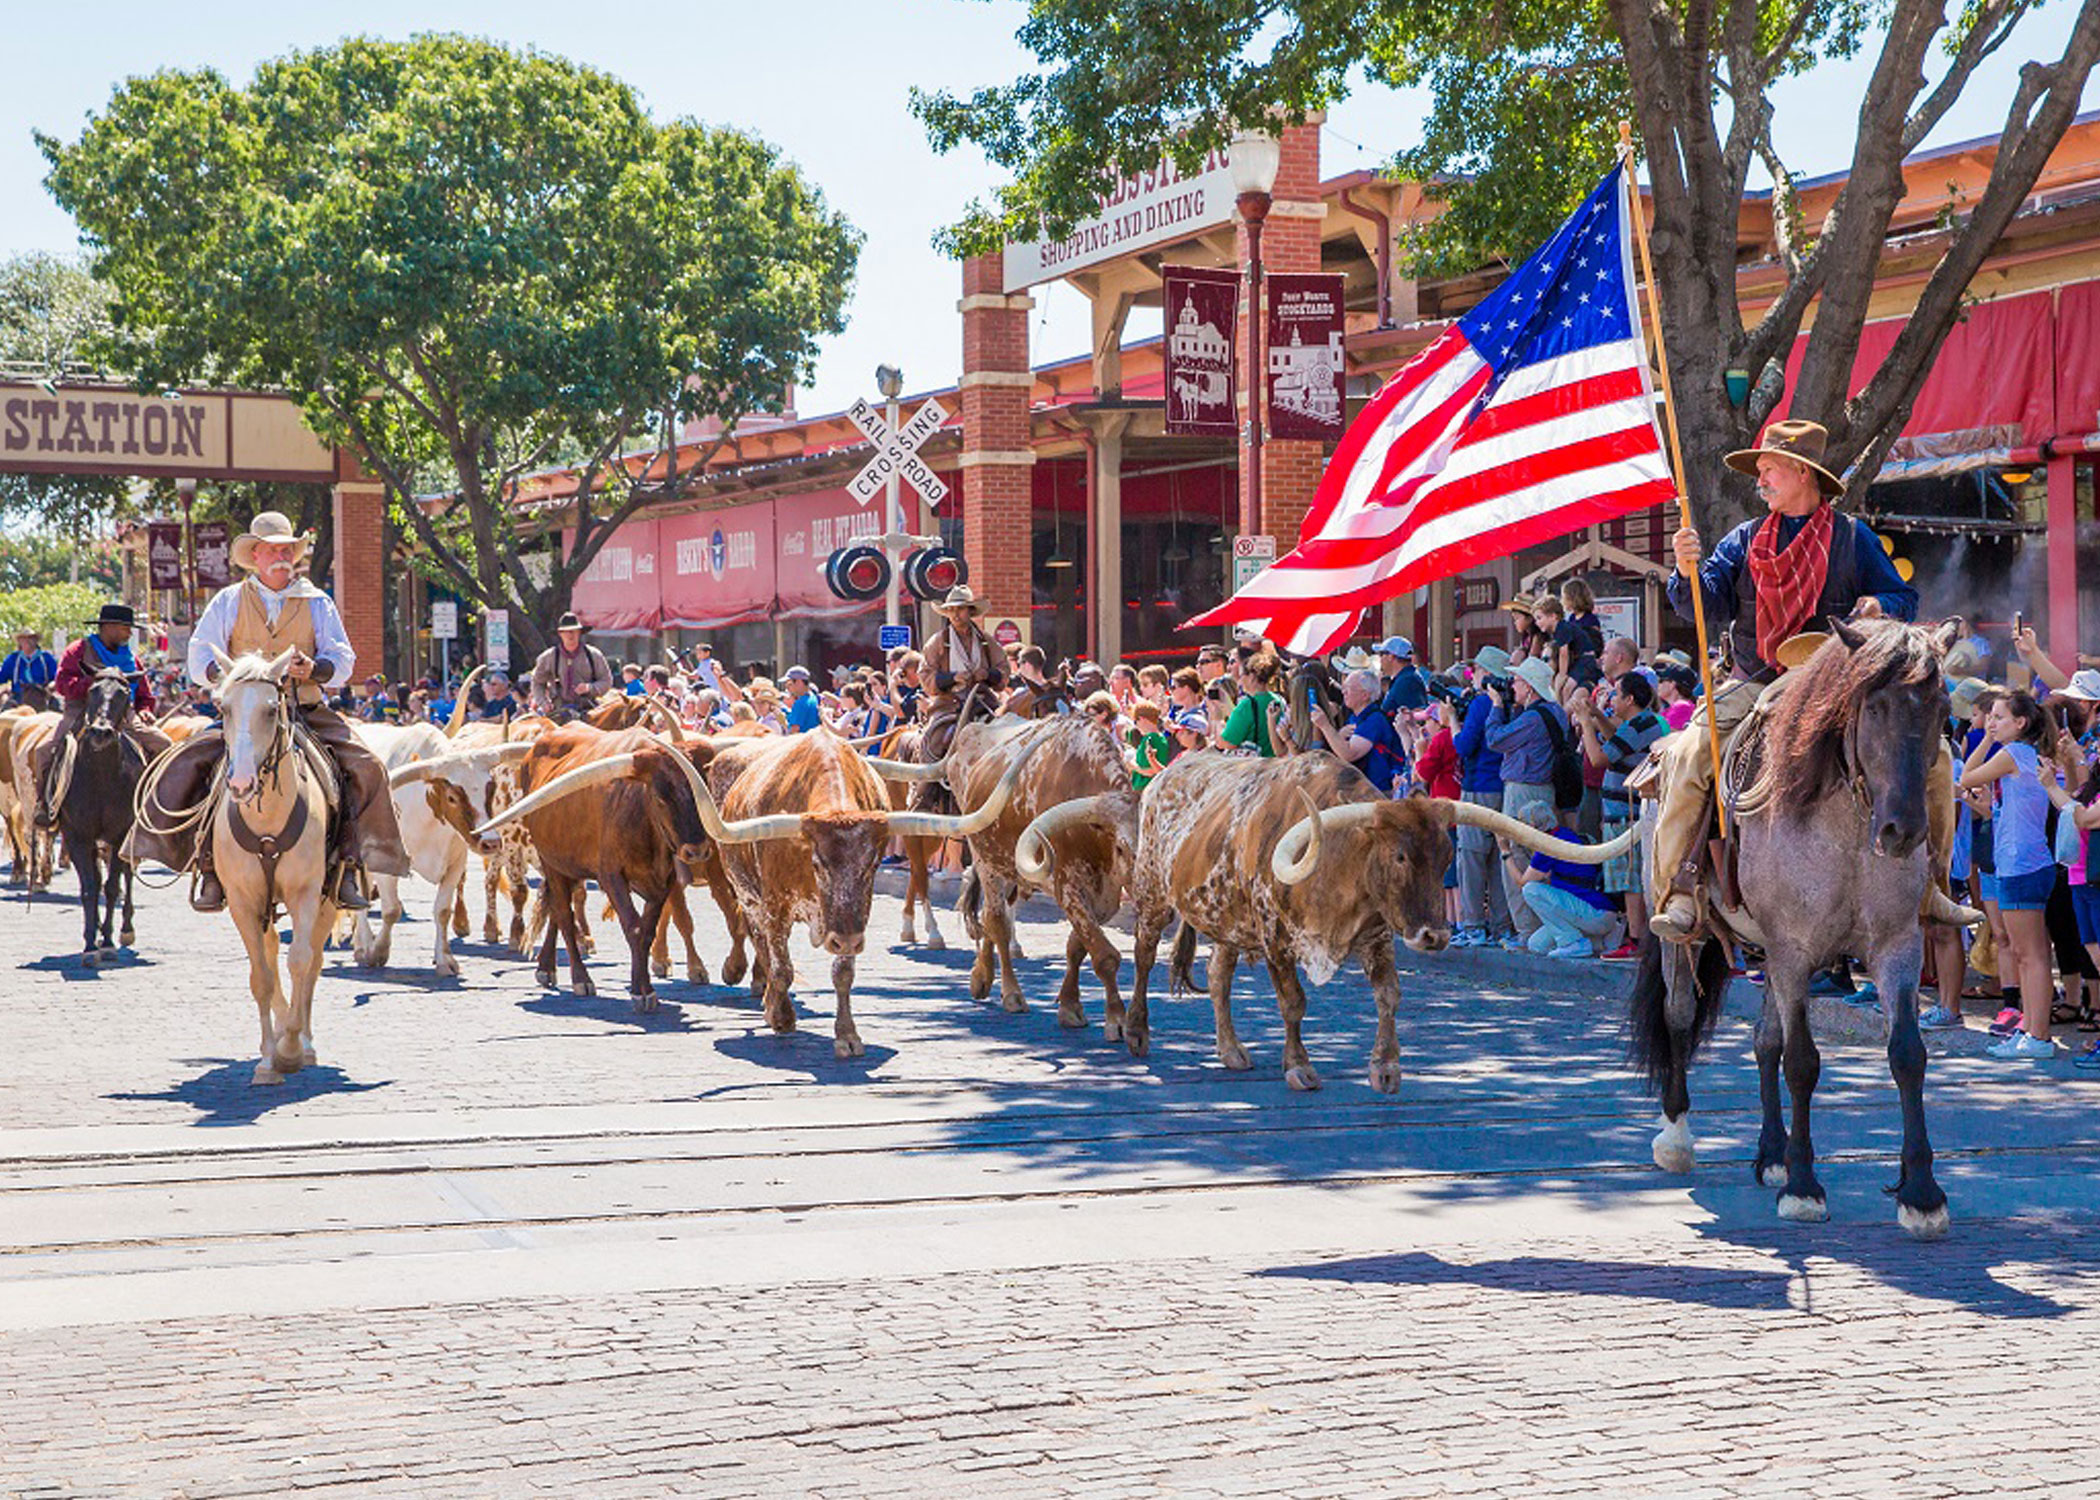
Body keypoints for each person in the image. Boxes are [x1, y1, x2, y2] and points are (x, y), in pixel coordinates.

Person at [1650, 419, 1921, 942]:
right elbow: (1705, 607)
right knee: (1686, 759)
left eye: (1769, 468)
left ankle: (1928, 887)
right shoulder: (1744, 540)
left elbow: (1906, 599)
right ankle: (1679, 888)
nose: (1760, 479)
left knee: (1932, 759)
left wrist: (1879, 604)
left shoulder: (1853, 538)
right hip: (1755, 681)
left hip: (1836, 689)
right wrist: (1685, 572)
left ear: (1802, 472)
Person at [126, 511, 409, 912]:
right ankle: (206, 865)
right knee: (190, 762)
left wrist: (315, 669)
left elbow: (343, 659)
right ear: (255, 555)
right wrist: (228, 674)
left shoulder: (317, 602)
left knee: (367, 767)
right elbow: (198, 656)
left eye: (287, 549)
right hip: (244, 713)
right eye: (272, 549)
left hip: (304, 707)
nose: (281, 555)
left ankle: (348, 863)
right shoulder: (228, 600)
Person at [1958, 690, 2061, 1059]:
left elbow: (1967, 774)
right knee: (2023, 953)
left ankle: (2039, 1036)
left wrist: (1984, 737)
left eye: (1999, 717)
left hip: (2023, 863)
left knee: (2031, 956)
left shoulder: (2014, 753)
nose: (1992, 722)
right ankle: (2031, 1030)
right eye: (1991, 717)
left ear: (2020, 723)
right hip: (2019, 862)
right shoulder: (2022, 755)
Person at [33, 602, 158, 826]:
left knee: (164, 744)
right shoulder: (78, 650)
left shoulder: (130, 657)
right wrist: (94, 683)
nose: (130, 633)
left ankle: (156, 805)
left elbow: (144, 695)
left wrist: (145, 711)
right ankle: (44, 803)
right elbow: (62, 684)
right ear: (109, 626)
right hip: (81, 710)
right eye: (126, 628)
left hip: (122, 714)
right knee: (45, 751)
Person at [1574, 672, 1669, 957]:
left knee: (1630, 880)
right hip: (1625, 814)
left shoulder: (1641, 724)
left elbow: (1599, 758)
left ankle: (1637, 940)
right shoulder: (1642, 723)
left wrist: (1585, 724)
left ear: (1630, 699)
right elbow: (1618, 739)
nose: (1611, 699)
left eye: (1616, 694)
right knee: (1629, 878)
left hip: (1629, 816)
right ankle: (1636, 937)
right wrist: (1597, 716)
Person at [1485, 656, 1572, 944]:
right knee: (1541, 859)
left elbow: (1496, 739)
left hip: (1523, 791)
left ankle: (1527, 931)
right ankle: (1542, 930)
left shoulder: (1533, 718)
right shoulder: (1555, 711)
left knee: (1516, 856)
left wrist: (1497, 707)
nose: (1512, 685)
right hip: (1545, 790)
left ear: (1531, 688)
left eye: (1518, 681)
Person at [1517, 802, 1617, 958]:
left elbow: (1523, 882)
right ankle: (1596, 941)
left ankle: (1573, 943)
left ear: (1531, 826)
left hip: (1595, 912)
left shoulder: (1548, 844)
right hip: (1589, 913)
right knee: (1536, 945)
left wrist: (1505, 852)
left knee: (1531, 890)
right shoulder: (1564, 833)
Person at [920, 586, 1004, 758]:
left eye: (960, 609)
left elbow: (1003, 669)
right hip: (949, 703)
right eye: (951, 610)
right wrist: (953, 678)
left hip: (982, 701)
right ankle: (928, 782)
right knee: (933, 744)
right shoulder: (937, 642)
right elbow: (926, 675)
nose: (955, 614)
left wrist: (987, 674)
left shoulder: (986, 641)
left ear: (970, 610)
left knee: (1006, 733)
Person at [1312, 668, 1408, 795]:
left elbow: (1349, 754)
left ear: (1365, 695)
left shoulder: (1374, 720)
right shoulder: (1356, 717)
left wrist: (1325, 726)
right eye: (1344, 687)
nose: (1343, 691)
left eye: (1349, 688)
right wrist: (1339, 735)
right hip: (1361, 791)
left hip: (1377, 793)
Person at [530, 613, 614, 720]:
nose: (570, 635)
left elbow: (607, 681)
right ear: (560, 633)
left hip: (589, 711)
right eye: (566, 631)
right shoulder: (548, 657)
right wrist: (543, 702)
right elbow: (537, 682)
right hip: (558, 711)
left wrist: (589, 688)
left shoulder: (594, 655)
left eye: (574, 631)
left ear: (579, 632)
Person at [1218, 645, 1285, 757]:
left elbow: (1226, 743)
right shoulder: (1279, 700)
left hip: (1254, 768)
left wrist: (1218, 720)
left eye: (1241, 675)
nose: (1240, 681)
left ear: (1252, 676)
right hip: (1276, 765)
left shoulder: (1247, 705)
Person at [0, 628, 58, 711]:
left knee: (59, 715)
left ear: (36, 641)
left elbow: (57, 677)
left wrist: (51, 686)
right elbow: (2, 677)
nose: (27, 641)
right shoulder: (13, 658)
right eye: (23, 639)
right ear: (19, 641)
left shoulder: (46, 658)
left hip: (41, 696)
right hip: (18, 697)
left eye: (31, 638)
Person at [1376, 637, 1427, 715]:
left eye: (1381, 654)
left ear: (1391, 656)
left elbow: (1416, 714)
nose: (1380, 660)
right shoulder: (1404, 679)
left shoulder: (1407, 681)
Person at [1126, 701, 1172, 789]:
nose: (1136, 726)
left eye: (1136, 722)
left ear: (1142, 719)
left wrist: (1133, 767)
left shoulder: (1152, 738)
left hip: (1147, 789)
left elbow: (1152, 771)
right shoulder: (1154, 738)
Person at [781, 667, 823, 733]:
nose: (788, 688)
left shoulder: (800, 703)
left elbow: (794, 731)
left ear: (799, 682)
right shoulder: (813, 698)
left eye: (790, 684)